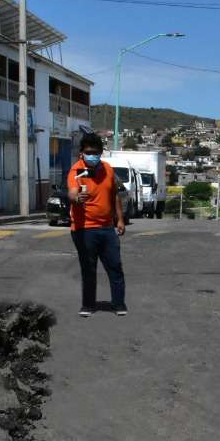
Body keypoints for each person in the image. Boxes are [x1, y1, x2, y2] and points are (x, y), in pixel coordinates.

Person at [67, 132, 127, 317]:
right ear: (82, 153)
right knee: (89, 268)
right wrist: (76, 198)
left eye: (96, 152)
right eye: (88, 152)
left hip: (107, 228)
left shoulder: (108, 170)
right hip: (84, 229)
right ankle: (88, 305)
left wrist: (120, 219)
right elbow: (71, 192)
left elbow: (114, 195)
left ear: (101, 153)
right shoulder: (76, 171)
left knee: (115, 266)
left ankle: (118, 304)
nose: (92, 155)